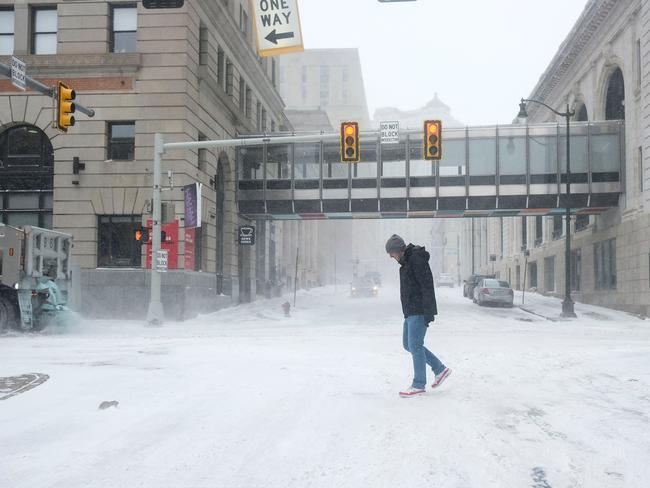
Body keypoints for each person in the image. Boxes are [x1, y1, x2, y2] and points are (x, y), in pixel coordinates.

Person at [385, 234, 451, 398]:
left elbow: (426, 284)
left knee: (415, 344)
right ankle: (440, 369)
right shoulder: (406, 262)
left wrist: (428, 311)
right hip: (410, 311)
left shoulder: (415, 259)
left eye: (391, 253)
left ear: (397, 250)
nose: (390, 256)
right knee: (409, 345)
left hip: (419, 310)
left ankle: (418, 384)